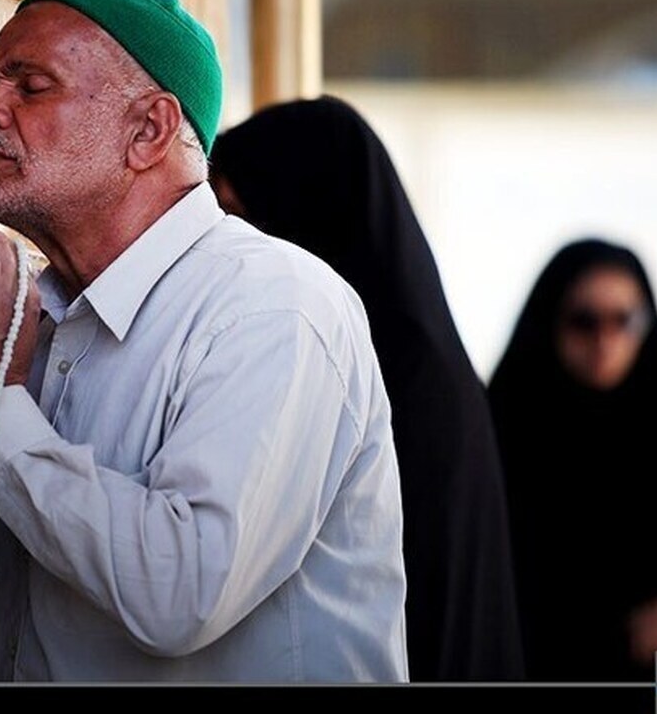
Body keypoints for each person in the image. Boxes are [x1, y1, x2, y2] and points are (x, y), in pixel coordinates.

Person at [0, 0, 408, 682]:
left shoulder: (274, 306)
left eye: (30, 86)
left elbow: (181, 591)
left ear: (149, 130)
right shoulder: (41, 316)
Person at [209, 96, 524, 681]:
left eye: (238, 209)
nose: (230, 238)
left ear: (302, 205)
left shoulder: (389, 371)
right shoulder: (413, 354)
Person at [488, 239, 657, 681]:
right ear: (551, 320)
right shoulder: (507, 425)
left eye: (624, 319)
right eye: (584, 321)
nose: (605, 340)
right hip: (544, 670)